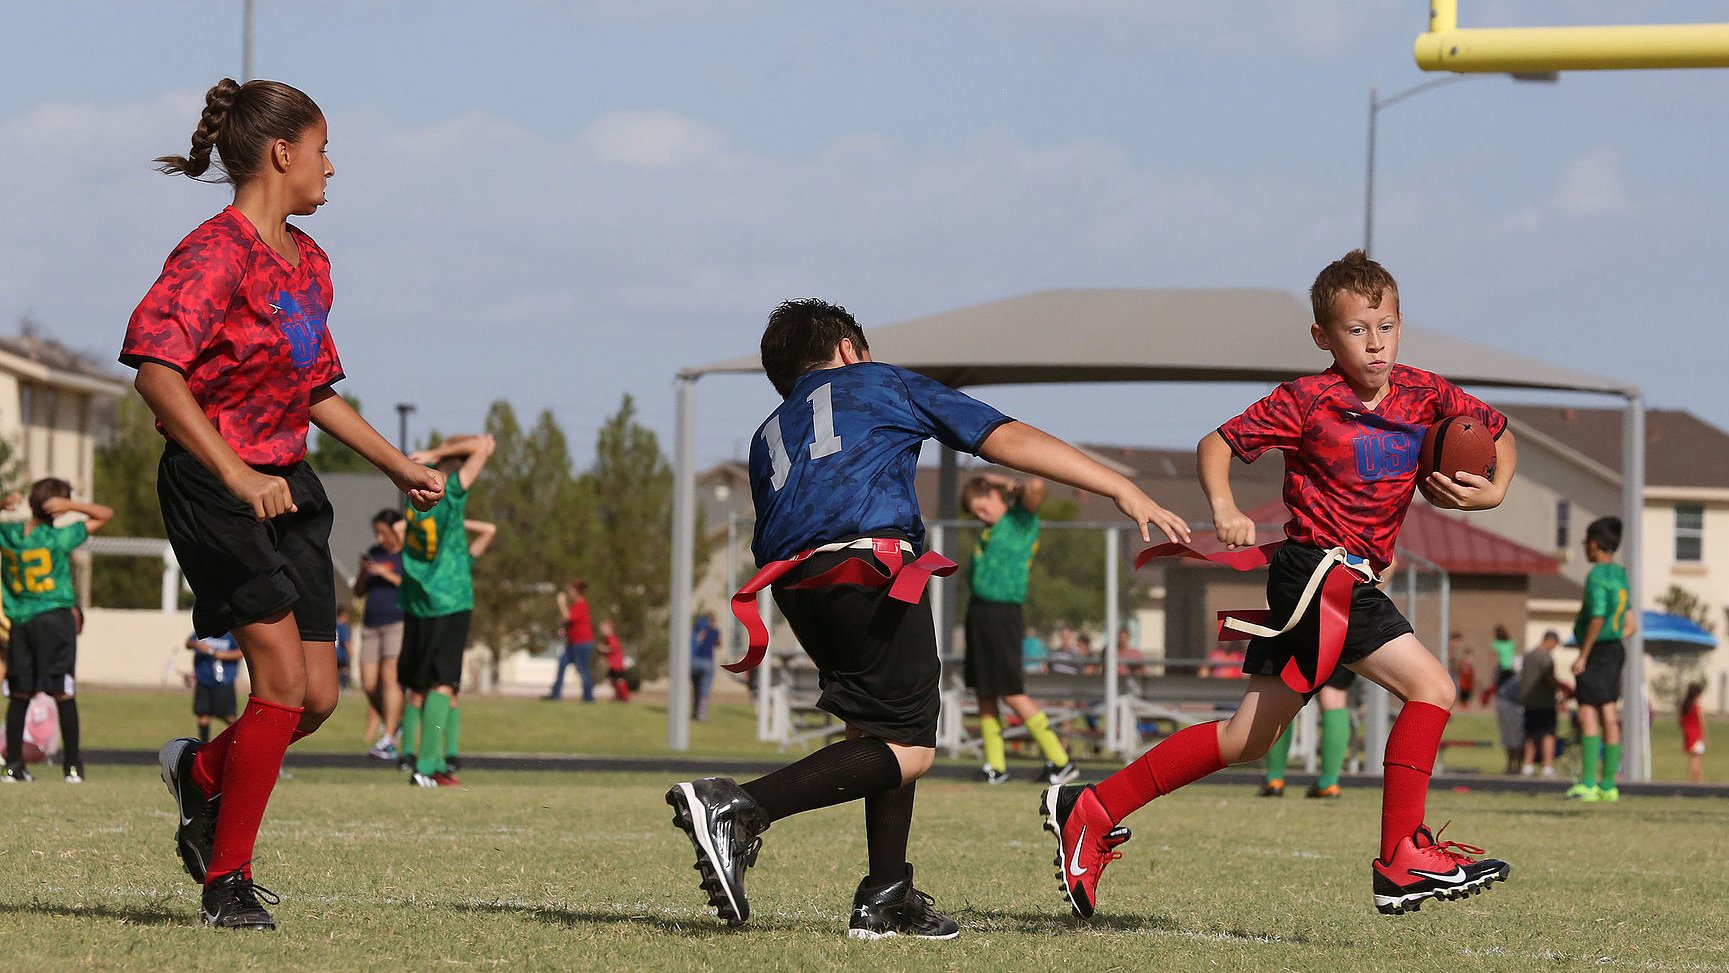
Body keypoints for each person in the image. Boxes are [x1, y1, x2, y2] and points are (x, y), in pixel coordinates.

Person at [666, 298, 1189, 941]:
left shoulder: (770, 428)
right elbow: (1005, 437)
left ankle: (886, 894)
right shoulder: (877, 381)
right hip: (868, 572)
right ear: (851, 349)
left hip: (796, 588)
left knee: (879, 731)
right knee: (908, 749)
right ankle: (739, 806)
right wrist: (1121, 487)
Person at [1042, 250, 1520, 920]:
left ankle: (1091, 806)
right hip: (1318, 571)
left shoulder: (1427, 393)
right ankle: (1401, 856)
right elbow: (1215, 443)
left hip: (1339, 578)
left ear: (1400, 324)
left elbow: (1496, 433)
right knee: (1432, 687)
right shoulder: (1306, 399)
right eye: (1356, 329)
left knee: (1248, 739)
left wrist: (1492, 491)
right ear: (1323, 336)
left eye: (1384, 325)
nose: (1374, 340)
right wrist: (1225, 507)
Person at [124, 77, 444, 930]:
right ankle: (225, 877)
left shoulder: (311, 262)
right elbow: (158, 367)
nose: (331, 167)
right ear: (281, 152)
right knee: (274, 682)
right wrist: (231, 470)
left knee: (318, 698)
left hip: (290, 488)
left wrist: (395, 463)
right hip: (216, 487)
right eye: (323, 148)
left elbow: (314, 389)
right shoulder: (213, 251)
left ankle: (199, 778)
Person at [961, 473, 1077, 787]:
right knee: (984, 692)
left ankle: (1061, 760)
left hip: (1004, 613)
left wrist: (998, 479)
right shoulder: (990, 530)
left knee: (1011, 692)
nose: (982, 516)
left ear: (997, 495)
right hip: (979, 612)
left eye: (984, 507)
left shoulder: (1020, 520)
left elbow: (1037, 485)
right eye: (976, 513)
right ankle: (995, 766)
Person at [397, 434, 497, 787]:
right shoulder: (449, 492)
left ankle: (427, 758)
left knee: (420, 685)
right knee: (443, 684)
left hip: (417, 599)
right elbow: (485, 444)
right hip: (448, 596)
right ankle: (426, 766)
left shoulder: (411, 500)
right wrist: (439, 452)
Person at [0, 482, 112, 784]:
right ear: (56, 505)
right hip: (53, 617)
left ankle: (13, 766)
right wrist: (73, 507)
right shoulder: (59, 535)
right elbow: (105, 514)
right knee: (63, 690)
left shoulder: (9, 534)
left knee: (20, 693)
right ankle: (72, 766)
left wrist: (2, 504)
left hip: (21, 619)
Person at [1565, 516, 1633, 803]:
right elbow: (1631, 623)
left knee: (1588, 713)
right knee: (1609, 713)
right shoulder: (1620, 574)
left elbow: (1597, 616)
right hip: (1615, 649)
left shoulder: (1596, 575)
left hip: (1597, 651)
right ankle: (1609, 786)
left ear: (1594, 544)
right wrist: (1613, 638)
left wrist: (1584, 655)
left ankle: (1588, 784)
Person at [355, 509, 406, 760]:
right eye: (377, 533)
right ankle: (396, 723)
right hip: (370, 624)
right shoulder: (373, 554)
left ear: (396, 530)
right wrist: (364, 573)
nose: (379, 537)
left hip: (397, 622)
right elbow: (357, 593)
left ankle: (390, 736)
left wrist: (387, 574)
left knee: (389, 678)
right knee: (368, 683)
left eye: (384, 532)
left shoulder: (407, 556)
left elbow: (413, 587)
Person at [1258, 669, 1356, 798]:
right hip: (1336, 648)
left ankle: (1274, 779)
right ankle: (1329, 783)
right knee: (1334, 695)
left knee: (1283, 693)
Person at [1519, 631, 1562, 778]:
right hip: (1544, 701)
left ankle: (1527, 765)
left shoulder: (1528, 655)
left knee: (1530, 734)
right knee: (1547, 734)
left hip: (1529, 701)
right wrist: (1561, 687)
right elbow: (1548, 677)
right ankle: (1547, 766)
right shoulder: (1545, 657)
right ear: (1550, 641)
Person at [187, 631, 244, 743]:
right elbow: (189, 643)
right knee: (203, 714)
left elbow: (241, 653)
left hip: (224, 681)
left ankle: (238, 741)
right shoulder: (203, 631)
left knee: (229, 716)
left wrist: (223, 655)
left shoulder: (230, 635)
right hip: (204, 679)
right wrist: (198, 645)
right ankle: (204, 744)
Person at [546, 580, 595, 702]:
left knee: (582, 670)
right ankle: (555, 695)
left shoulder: (581, 604)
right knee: (562, 664)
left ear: (576, 591)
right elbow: (568, 621)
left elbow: (568, 617)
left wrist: (561, 603)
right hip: (572, 644)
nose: (569, 593)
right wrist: (563, 629)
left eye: (570, 591)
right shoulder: (575, 605)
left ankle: (589, 698)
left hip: (582, 644)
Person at [1493, 657, 1524, 775]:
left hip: (1505, 707)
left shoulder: (1510, 680)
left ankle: (1513, 765)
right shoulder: (1518, 680)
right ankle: (1516, 766)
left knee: (1510, 738)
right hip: (1513, 709)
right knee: (1515, 738)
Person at [690, 612, 719, 721]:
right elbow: (719, 644)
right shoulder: (714, 632)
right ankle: (701, 714)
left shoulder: (695, 631)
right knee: (704, 689)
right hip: (707, 663)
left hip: (694, 662)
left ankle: (694, 711)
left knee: (696, 688)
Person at [1680, 680, 1706, 784]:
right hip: (1697, 735)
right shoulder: (1696, 706)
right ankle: (1692, 782)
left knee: (1695, 759)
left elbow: (1680, 721)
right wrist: (1704, 735)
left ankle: (1700, 781)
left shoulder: (1684, 707)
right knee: (1695, 760)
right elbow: (1702, 721)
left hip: (1688, 735)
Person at [602, 619, 631, 702]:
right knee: (611, 680)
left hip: (617, 664)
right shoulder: (607, 638)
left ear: (610, 629)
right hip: (612, 664)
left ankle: (625, 696)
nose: (603, 630)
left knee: (619, 680)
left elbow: (613, 648)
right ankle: (618, 694)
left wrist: (603, 648)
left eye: (604, 628)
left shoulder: (612, 638)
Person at [334, 606, 352, 690]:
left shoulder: (334, 625)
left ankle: (334, 686)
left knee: (334, 670)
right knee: (344, 669)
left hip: (333, 652)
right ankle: (344, 687)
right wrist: (350, 651)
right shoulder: (343, 627)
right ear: (343, 615)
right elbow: (345, 641)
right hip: (341, 653)